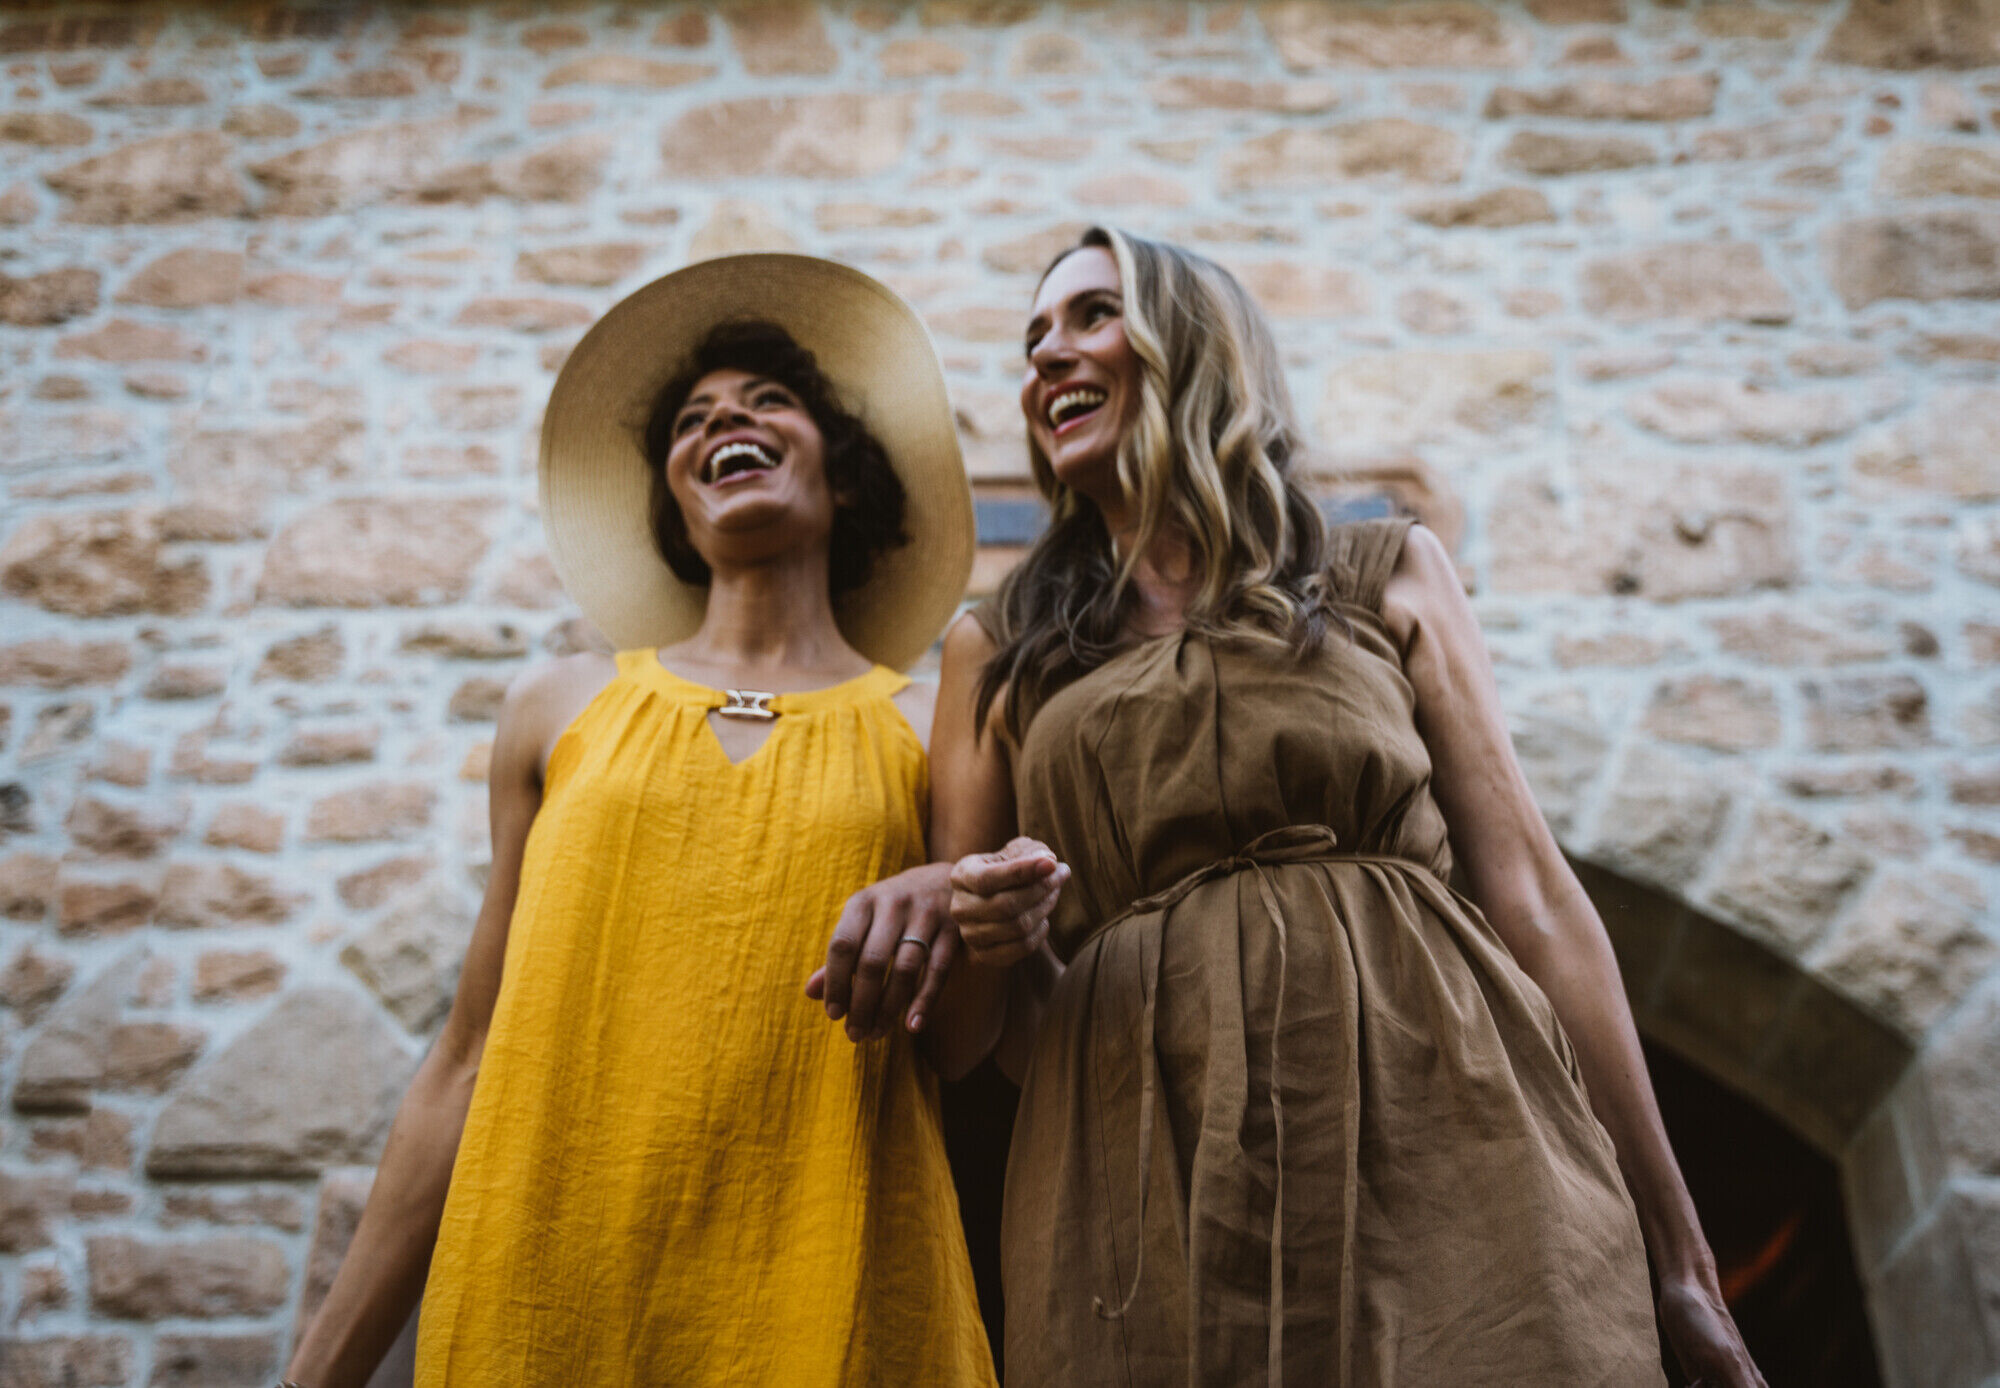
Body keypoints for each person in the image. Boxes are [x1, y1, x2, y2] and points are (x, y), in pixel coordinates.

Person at [927, 227, 1766, 1386]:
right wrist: (997, 934)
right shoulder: (996, 650)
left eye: (1090, 315)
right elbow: (973, 1033)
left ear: (1193, 344)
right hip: (1139, 1172)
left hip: (1448, 1123)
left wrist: (1681, 1257)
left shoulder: (1386, 569)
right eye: (1031, 339)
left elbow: (1531, 896)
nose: (1046, 357)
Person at [282, 255, 995, 1387]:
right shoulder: (556, 708)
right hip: (542, 1296)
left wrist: (974, 902)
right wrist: (313, 1375)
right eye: (694, 419)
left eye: (767, 402)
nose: (726, 423)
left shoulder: (929, 722)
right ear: (676, 498)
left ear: (845, 477)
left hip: (832, 1293)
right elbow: (463, 1063)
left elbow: (965, 1042)